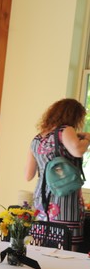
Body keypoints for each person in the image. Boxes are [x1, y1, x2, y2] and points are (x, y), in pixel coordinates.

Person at [24, 98, 89, 251]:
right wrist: (87, 138)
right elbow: (78, 150)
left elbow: (28, 175)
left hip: (41, 199)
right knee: (66, 248)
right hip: (64, 199)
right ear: (74, 116)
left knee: (40, 246)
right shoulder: (65, 130)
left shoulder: (37, 139)